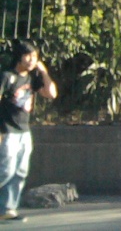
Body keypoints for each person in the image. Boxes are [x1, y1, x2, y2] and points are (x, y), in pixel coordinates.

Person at [1, 40, 58, 222]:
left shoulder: (32, 79)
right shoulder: (7, 76)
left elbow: (51, 93)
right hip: (6, 130)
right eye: (28, 56)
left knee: (20, 172)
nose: (32, 60)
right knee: (5, 171)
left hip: (24, 132)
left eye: (35, 56)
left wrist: (43, 71)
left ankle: (8, 209)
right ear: (19, 56)